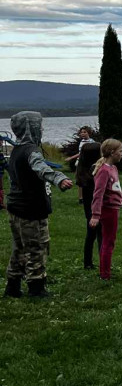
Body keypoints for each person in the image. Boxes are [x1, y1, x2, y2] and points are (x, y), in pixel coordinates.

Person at [3, 111, 73, 299]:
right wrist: (58, 178)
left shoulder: (16, 150)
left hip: (15, 207)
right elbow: (40, 167)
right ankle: (36, 287)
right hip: (30, 210)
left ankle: (13, 286)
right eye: (39, 126)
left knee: (19, 247)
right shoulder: (31, 151)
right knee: (37, 247)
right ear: (31, 128)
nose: (41, 129)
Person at [89, 139, 122, 282]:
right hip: (107, 210)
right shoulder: (103, 171)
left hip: (114, 209)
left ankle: (105, 271)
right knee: (108, 242)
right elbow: (98, 194)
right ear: (112, 152)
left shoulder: (113, 169)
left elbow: (118, 189)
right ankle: (105, 274)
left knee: (109, 241)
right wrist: (96, 215)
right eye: (120, 151)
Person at [75, 141, 102, 269]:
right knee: (100, 235)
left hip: (89, 210)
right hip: (96, 209)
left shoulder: (83, 173)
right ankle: (102, 262)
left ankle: (88, 262)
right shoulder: (94, 174)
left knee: (91, 235)